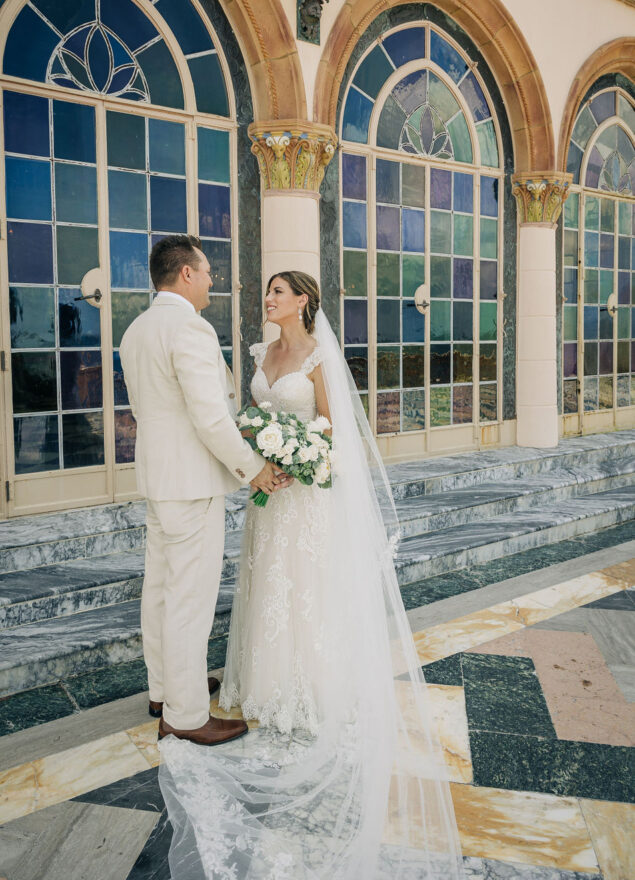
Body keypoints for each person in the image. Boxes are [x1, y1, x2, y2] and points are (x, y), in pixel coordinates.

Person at [158, 270, 465, 879]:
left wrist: (301, 459)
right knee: (266, 590)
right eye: (266, 292)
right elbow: (248, 413)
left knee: (303, 592)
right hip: (267, 497)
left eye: (278, 292)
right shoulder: (260, 352)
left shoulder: (320, 356)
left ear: (303, 301)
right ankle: (262, 687)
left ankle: (310, 688)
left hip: (306, 496)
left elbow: (334, 428)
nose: (267, 299)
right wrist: (259, 450)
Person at [119, 235, 290, 747]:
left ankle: (165, 688)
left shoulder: (137, 329)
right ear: (186, 274)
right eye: (208, 270)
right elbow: (210, 418)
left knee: (161, 590)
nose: (214, 278)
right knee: (189, 599)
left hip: (159, 479)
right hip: (191, 482)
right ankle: (187, 714)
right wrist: (253, 468)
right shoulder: (188, 329)